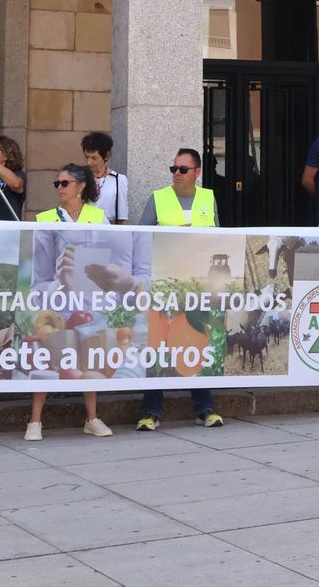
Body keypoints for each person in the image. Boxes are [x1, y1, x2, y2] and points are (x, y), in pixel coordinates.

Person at [27, 163, 116, 440]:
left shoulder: (99, 217)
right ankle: (35, 421)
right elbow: (39, 270)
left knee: (90, 356)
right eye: (57, 183)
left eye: (64, 183)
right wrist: (57, 284)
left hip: (88, 300)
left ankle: (92, 417)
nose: (59, 188)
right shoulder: (45, 219)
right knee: (46, 357)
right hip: (56, 299)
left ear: (81, 186)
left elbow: (109, 255)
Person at [139, 149, 222, 430]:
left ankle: (205, 407)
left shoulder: (208, 198)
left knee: (196, 342)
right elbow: (141, 237)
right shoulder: (158, 198)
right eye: (173, 167)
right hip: (164, 284)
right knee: (158, 345)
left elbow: (218, 237)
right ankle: (151, 411)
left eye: (183, 169)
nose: (177, 173)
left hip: (197, 287)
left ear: (197, 172)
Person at [81, 131, 130, 224]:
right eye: (86, 157)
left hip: (108, 229)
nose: (89, 162)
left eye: (94, 158)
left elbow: (122, 217)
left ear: (106, 156)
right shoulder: (79, 177)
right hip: (83, 228)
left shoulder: (118, 179)